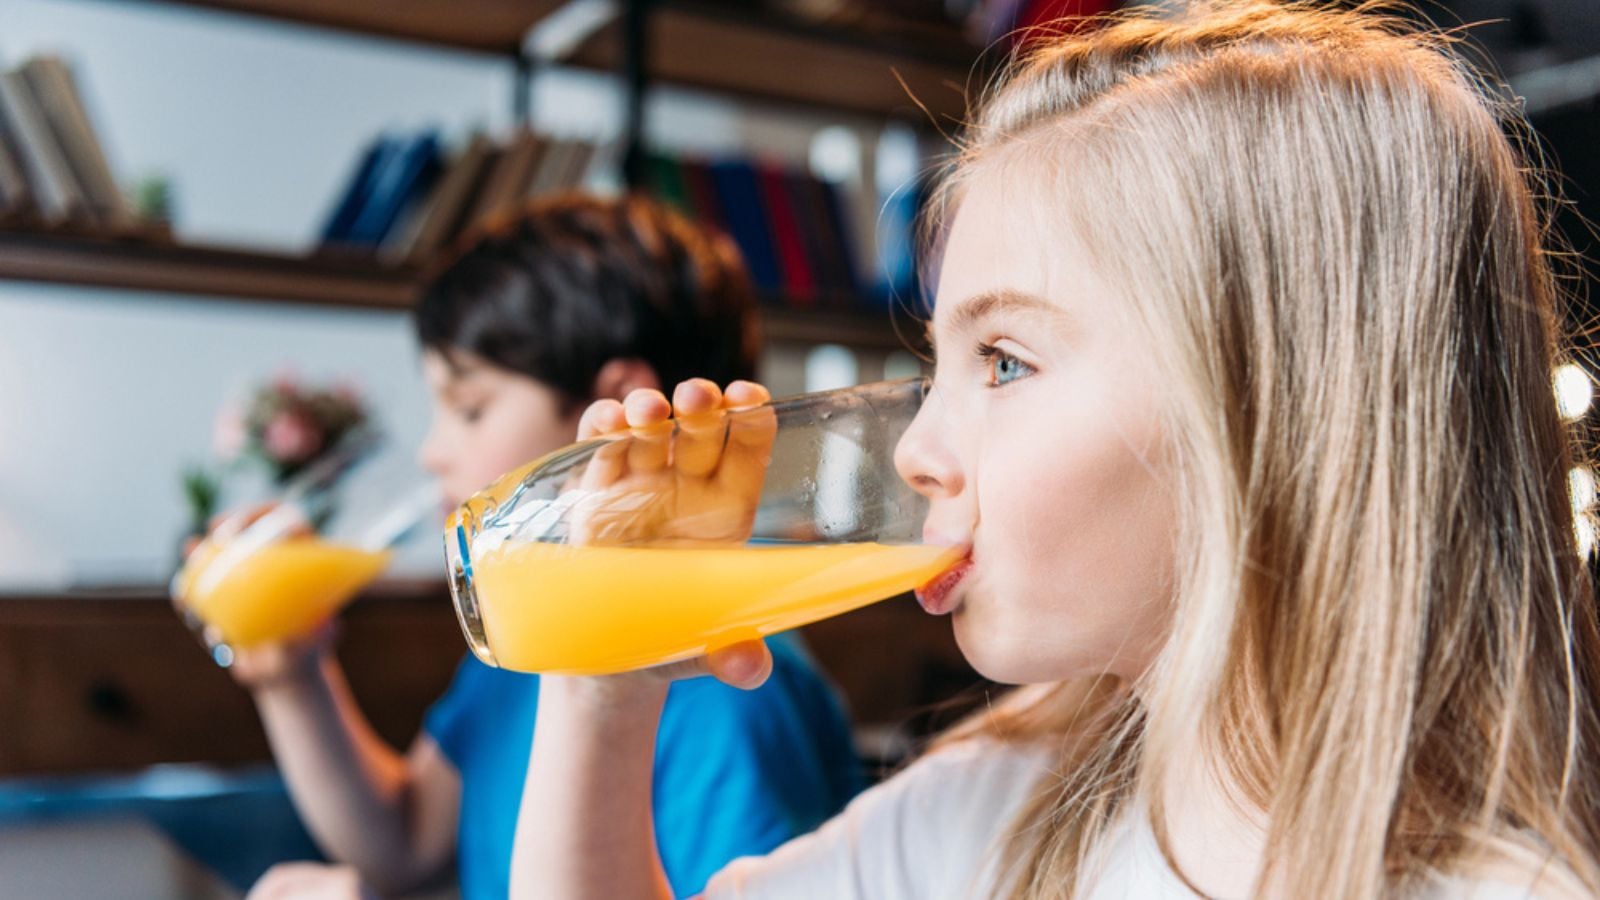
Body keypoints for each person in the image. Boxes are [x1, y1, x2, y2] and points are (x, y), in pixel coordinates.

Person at [507, 3, 1600, 897]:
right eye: (938, 365)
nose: (916, 451)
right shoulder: (996, 807)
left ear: (1270, 411)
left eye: (1005, 363)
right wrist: (602, 693)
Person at [232, 194, 864, 899]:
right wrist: (292, 676)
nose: (431, 452)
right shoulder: (526, 631)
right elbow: (407, 840)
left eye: (470, 408)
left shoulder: (730, 687)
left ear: (619, 410)